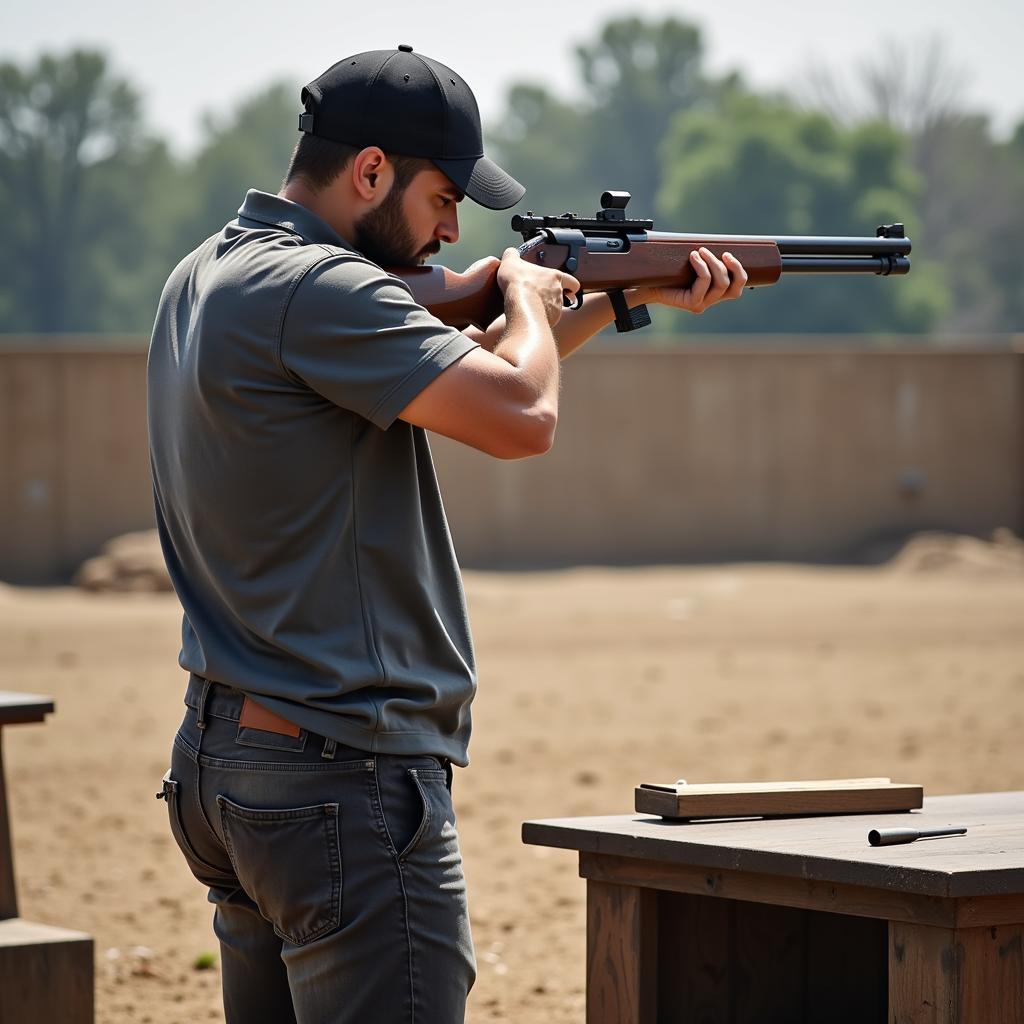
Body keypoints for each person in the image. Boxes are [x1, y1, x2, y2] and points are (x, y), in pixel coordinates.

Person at [148, 44, 746, 1024]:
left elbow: (460, 377)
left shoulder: (209, 272)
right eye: (441, 197)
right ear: (371, 171)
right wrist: (518, 294)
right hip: (339, 774)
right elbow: (520, 416)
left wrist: (616, 296)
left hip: (231, 765)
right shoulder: (323, 289)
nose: (451, 229)